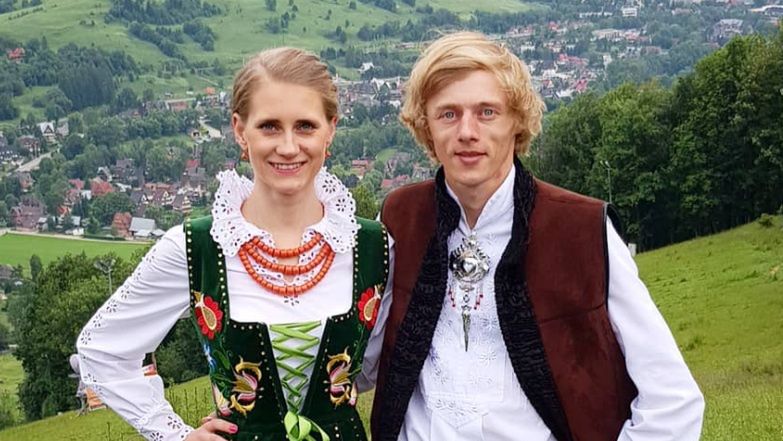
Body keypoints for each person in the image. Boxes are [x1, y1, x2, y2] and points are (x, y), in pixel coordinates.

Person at [366, 31, 704, 441]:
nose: (467, 131)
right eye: (448, 114)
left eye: (487, 112)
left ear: (516, 120)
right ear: (426, 127)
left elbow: (673, 400)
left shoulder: (581, 229)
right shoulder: (400, 218)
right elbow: (361, 362)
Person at [77, 47, 390, 441]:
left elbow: (385, 363)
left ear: (331, 129)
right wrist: (174, 434)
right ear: (240, 130)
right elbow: (100, 349)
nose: (288, 146)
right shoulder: (196, 248)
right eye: (269, 126)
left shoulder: (374, 246)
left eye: (305, 126)